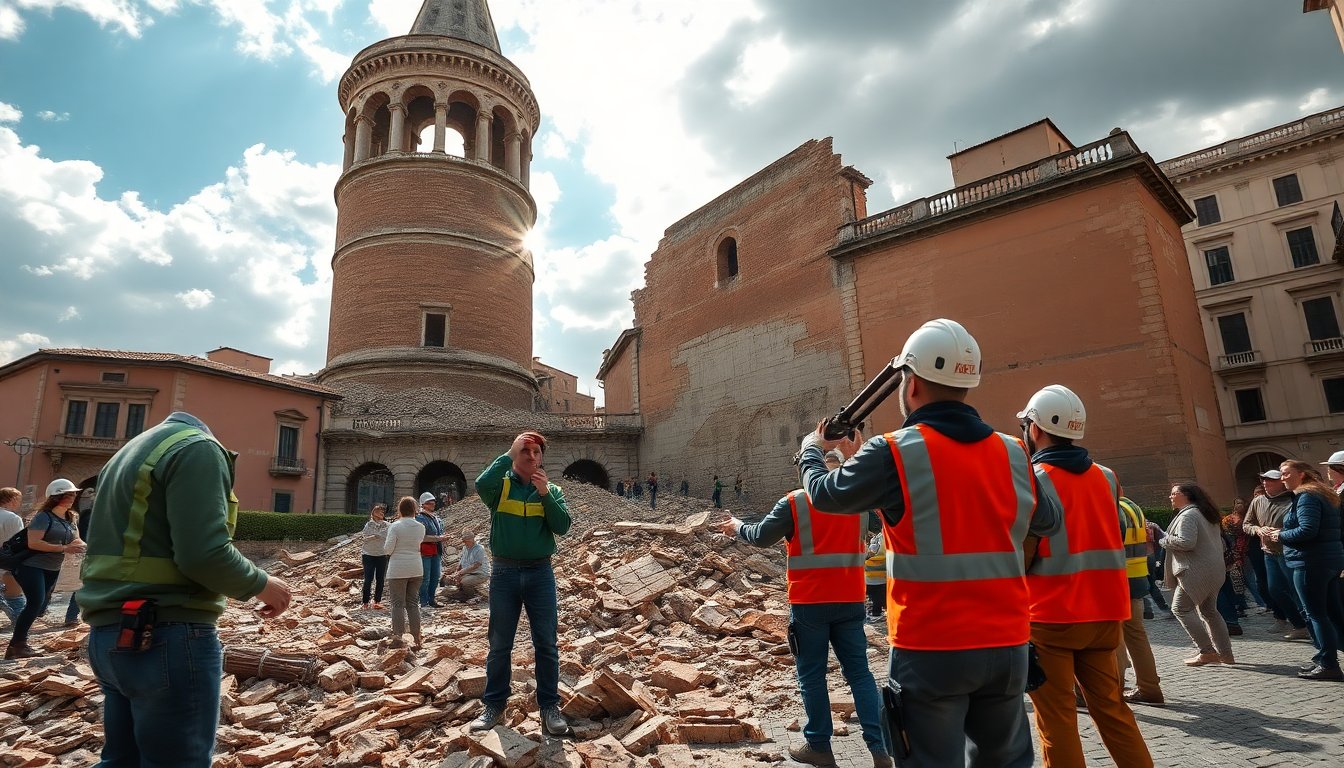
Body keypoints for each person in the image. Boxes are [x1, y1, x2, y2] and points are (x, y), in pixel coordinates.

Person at [799, 318, 1060, 768]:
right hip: (1007, 645)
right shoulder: (1015, 453)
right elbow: (1049, 521)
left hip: (932, 647)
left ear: (912, 383)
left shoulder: (894, 450)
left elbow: (824, 495)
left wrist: (811, 448)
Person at [78, 411, 292, 766]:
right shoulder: (198, 448)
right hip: (166, 633)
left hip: (109, 634)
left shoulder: (129, 453)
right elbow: (203, 554)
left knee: (120, 760)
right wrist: (263, 584)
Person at [722, 449, 891, 768]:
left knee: (812, 675)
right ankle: (880, 749)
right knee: (860, 673)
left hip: (810, 604)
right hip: (851, 601)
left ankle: (819, 746)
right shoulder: (857, 504)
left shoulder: (796, 502)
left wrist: (735, 525)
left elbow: (760, 537)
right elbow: (879, 523)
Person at [1016, 385, 1152, 768]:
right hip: (1106, 612)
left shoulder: (1034, 479)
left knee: (1057, 717)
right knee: (1112, 708)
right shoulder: (1107, 477)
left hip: (1051, 615)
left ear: (1036, 429)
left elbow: (1024, 551)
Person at [471, 431, 573, 737]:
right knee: (500, 644)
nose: (531, 456)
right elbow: (480, 484)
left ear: (542, 458)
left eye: (536, 452)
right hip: (504, 574)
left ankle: (549, 708)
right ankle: (494, 706)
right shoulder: (500, 488)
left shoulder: (551, 490)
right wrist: (508, 452)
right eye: (524, 451)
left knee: (546, 643)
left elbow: (563, 526)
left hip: (540, 573)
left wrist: (544, 494)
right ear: (516, 454)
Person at [1269, 460, 1344, 680]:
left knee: (1316, 615)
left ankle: (1328, 664)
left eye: (1285, 473)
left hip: (1311, 562)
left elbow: (1307, 530)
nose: (1282, 478)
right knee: (1332, 613)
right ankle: (1327, 660)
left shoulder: (1307, 496)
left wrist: (1279, 535)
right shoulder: (1322, 494)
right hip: (1328, 560)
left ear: (1301, 474)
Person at [4, 479, 84, 658]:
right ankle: (18, 645)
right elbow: (34, 543)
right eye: (68, 495)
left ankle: (17, 645)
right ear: (56, 497)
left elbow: (75, 539)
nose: (72, 497)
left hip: (53, 567)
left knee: (39, 605)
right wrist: (64, 548)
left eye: (73, 494)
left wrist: (85, 546)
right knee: (35, 602)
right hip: (32, 565)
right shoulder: (43, 517)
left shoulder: (72, 517)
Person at [1163, 483, 1235, 666]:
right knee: (1209, 611)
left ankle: (1207, 651)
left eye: (1174, 493)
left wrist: (1163, 539)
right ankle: (1226, 655)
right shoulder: (1204, 512)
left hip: (1196, 571)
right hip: (1214, 570)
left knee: (1180, 608)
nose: (1171, 497)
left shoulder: (1189, 515)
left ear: (1187, 495)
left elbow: (1186, 543)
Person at [1244, 470, 1311, 639]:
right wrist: (1259, 529)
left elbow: (1303, 525)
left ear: (1281, 482)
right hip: (1269, 552)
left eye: (1270, 481)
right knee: (1274, 590)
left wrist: (1282, 531)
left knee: (1297, 591)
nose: (1265, 483)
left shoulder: (1293, 499)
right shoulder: (1258, 501)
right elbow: (1247, 524)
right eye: (1263, 480)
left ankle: (1310, 625)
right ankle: (1299, 624)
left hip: (1290, 552)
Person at [1116, 496, 1165, 707]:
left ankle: (1112, 689)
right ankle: (1149, 687)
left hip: (1114, 581)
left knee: (1113, 640)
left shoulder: (1109, 506)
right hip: (1136, 579)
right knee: (1137, 636)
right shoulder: (1132, 505)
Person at [384, 496, 426, 649]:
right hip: (416, 567)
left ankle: (398, 636)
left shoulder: (395, 526)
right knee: (413, 604)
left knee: (397, 604)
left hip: (398, 568)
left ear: (400, 509)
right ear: (415, 509)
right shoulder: (421, 527)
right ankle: (417, 638)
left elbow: (388, 549)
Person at [63, 486, 95, 626]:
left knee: (82, 585)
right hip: (92, 553)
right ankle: (72, 616)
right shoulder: (92, 515)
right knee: (83, 585)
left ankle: (72, 616)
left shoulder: (87, 513)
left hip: (87, 552)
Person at [0, 487, 26, 623]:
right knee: (15, 600)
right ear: (13, 500)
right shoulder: (13, 518)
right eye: (19, 500)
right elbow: (16, 543)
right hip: (6, 564)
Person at [416, 492, 445, 608]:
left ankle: (432, 599)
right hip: (425, 551)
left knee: (435, 576)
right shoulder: (420, 518)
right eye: (429, 502)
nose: (432, 504)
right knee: (425, 577)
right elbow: (420, 537)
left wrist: (442, 538)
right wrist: (439, 538)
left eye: (433, 502)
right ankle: (423, 601)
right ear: (423, 504)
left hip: (436, 550)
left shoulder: (436, 518)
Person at [359, 503, 390, 610]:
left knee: (380, 579)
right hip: (368, 554)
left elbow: (385, 535)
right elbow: (364, 537)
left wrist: (375, 536)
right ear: (374, 512)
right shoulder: (369, 524)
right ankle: (365, 602)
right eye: (379, 511)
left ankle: (377, 601)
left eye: (383, 511)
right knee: (368, 579)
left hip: (382, 554)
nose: (381, 513)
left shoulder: (387, 524)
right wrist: (375, 536)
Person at [445, 530, 490, 600]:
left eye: (466, 541)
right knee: (449, 579)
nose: (465, 543)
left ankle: (471, 596)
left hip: (480, 573)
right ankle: (461, 592)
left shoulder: (479, 549)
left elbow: (477, 564)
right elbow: (461, 562)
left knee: (465, 582)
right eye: (464, 541)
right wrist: (457, 572)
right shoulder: (465, 548)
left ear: (472, 539)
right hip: (468, 572)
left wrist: (461, 572)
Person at [864, 530, 886, 625]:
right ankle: (876, 613)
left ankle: (873, 614)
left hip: (869, 577)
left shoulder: (877, 539)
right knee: (877, 597)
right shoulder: (883, 539)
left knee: (872, 597)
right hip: (881, 578)